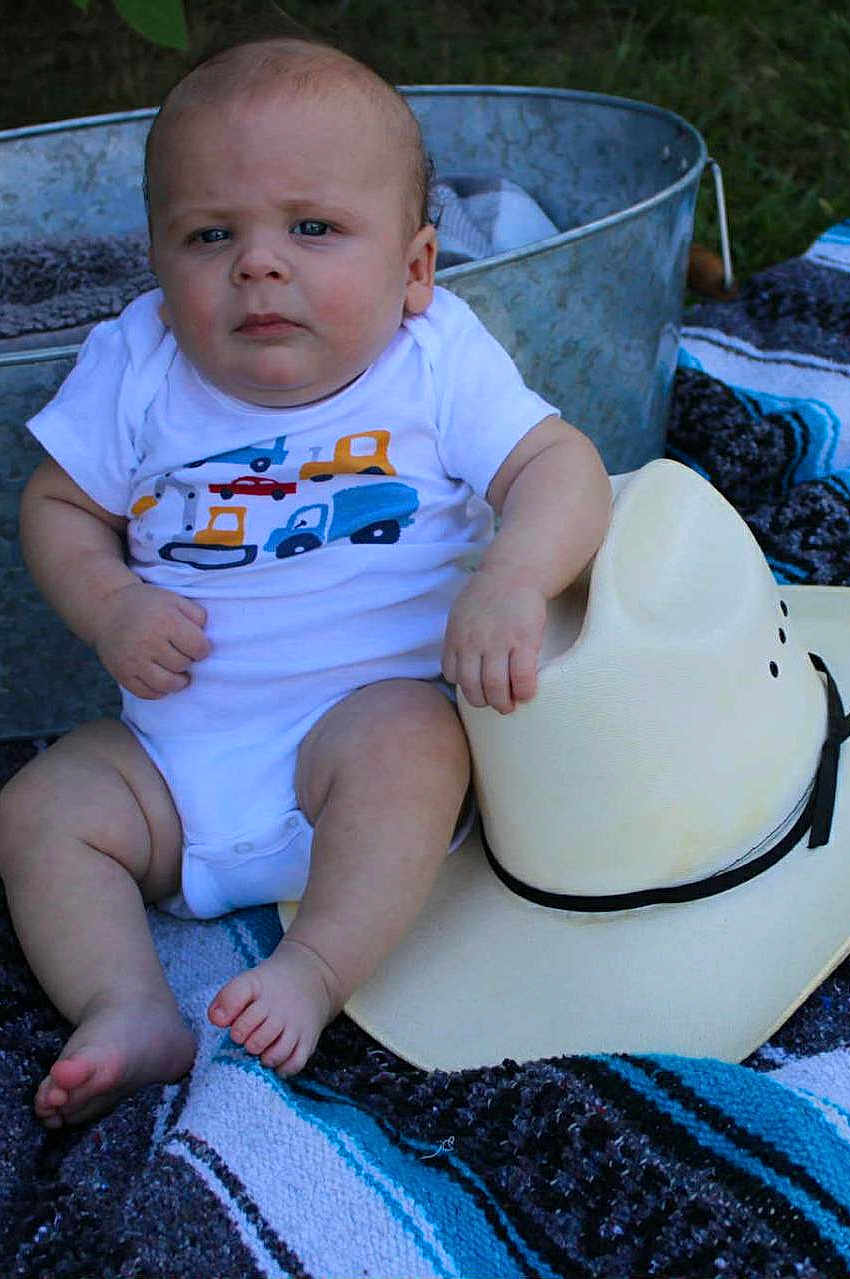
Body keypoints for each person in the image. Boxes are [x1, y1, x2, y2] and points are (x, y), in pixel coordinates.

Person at [0, 35, 612, 1128]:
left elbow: (558, 465)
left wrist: (515, 579)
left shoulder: (432, 360)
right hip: (171, 769)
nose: (259, 263)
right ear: (157, 261)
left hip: (356, 740)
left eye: (314, 228)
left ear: (415, 268)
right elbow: (56, 506)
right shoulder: (138, 362)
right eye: (210, 234)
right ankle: (126, 1005)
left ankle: (316, 967)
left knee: (416, 741)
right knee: (42, 807)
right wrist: (110, 603)